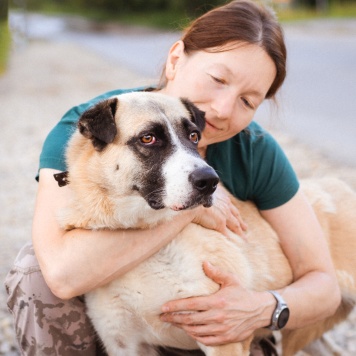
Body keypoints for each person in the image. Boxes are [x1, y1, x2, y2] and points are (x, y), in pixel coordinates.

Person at [5, 1, 341, 355]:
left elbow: (322, 283)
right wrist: (188, 210)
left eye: (248, 101)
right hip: (117, 317)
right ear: (176, 59)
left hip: (214, 328)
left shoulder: (253, 148)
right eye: (218, 79)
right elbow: (61, 273)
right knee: (35, 271)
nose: (222, 110)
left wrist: (262, 308)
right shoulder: (86, 131)